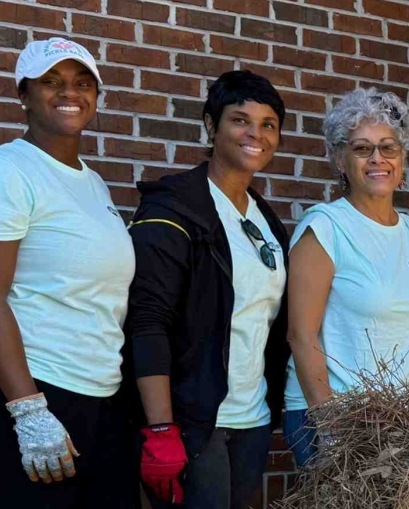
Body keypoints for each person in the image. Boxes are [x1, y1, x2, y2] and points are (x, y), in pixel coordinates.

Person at [0, 37, 138, 507]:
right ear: (24, 95)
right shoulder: (3, 171)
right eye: (50, 81)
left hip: (98, 398)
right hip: (27, 393)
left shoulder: (91, 182)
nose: (68, 92)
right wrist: (29, 411)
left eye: (81, 82)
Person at [123, 70, 291, 509]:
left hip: (252, 419)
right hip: (194, 423)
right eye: (240, 120)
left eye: (268, 124)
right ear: (211, 125)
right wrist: (160, 430)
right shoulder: (173, 208)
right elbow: (147, 321)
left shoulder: (264, 220)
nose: (255, 134)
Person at [283, 87, 409, 465]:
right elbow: (300, 335)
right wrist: (332, 430)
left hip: (404, 422)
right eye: (361, 148)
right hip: (336, 418)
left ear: (402, 157)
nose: (377, 159)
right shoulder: (325, 228)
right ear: (340, 159)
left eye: (388, 147)